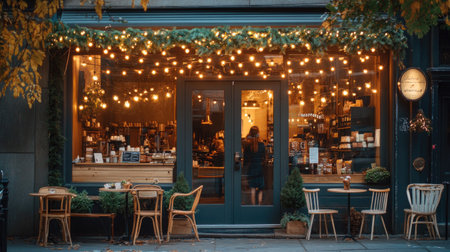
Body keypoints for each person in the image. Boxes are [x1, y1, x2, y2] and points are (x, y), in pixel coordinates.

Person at [243, 126, 265, 205]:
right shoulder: (262, 145)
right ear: (258, 133)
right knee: (260, 189)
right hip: (259, 168)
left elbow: (245, 159)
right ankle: (259, 205)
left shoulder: (248, 146)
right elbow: (264, 158)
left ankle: (253, 206)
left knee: (252, 189)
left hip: (251, 168)